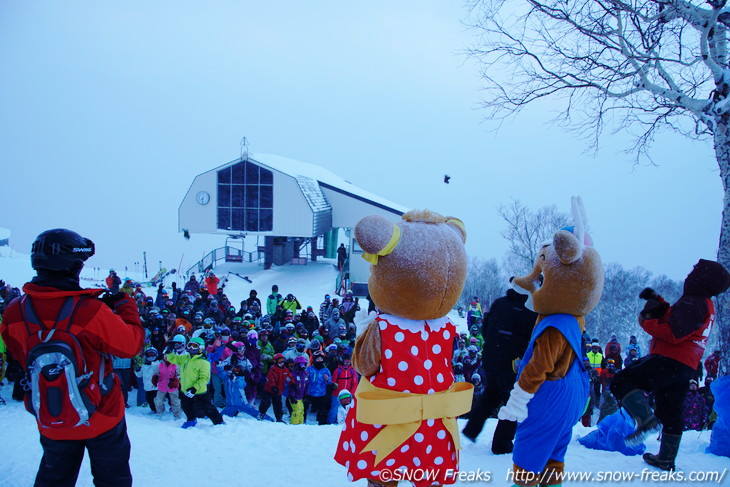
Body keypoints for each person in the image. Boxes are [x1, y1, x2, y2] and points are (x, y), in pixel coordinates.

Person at [0, 228, 144, 486]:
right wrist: (125, 308)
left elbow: (19, 354)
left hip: (52, 412)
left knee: (54, 477)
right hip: (102, 415)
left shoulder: (13, 311)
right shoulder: (90, 310)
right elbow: (131, 345)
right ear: (74, 266)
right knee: (113, 479)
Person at [611, 259, 730, 471]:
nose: (690, 274)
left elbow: (673, 332)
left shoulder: (695, 302)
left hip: (669, 359)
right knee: (670, 409)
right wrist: (660, 302)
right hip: (685, 365)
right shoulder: (701, 303)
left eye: (695, 271)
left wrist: (645, 322)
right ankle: (666, 458)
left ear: (703, 279)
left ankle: (645, 419)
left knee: (621, 381)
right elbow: (679, 321)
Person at [462, 287, 536, 454]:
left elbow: (486, 326)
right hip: (511, 363)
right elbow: (533, 338)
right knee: (512, 402)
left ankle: (471, 429)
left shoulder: (500, 303)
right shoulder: (529, 310)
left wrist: (493, 346)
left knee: (491, 394)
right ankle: (501, 445)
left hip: (490, 358)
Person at [167, 336, 224, 428]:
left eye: (194, 346)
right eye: (189, 345)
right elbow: (173, 359)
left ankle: (219, 421)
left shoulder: (204, 362)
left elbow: (204, 378)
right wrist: (169, 351)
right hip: (185, 389)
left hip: (199, 391)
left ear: (200, 348)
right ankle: (191, 419)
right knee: (187, 406)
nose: (191, 348)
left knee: (207, 407)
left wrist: (194, 388)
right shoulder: (185, 358)